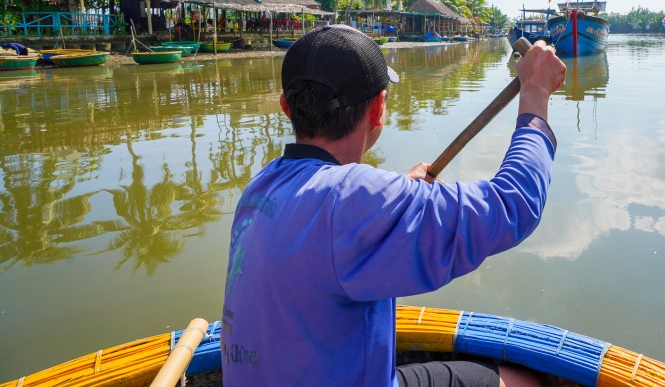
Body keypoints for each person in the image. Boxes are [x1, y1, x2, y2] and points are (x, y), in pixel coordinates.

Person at [221, 24, 566, 386]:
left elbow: (337, 223)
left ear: (286, 108)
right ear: (378, 109)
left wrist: (399, 193)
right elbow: (514, 205)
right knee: (520, 380)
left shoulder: (260, 188)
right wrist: (536, 94)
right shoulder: (354, 203)